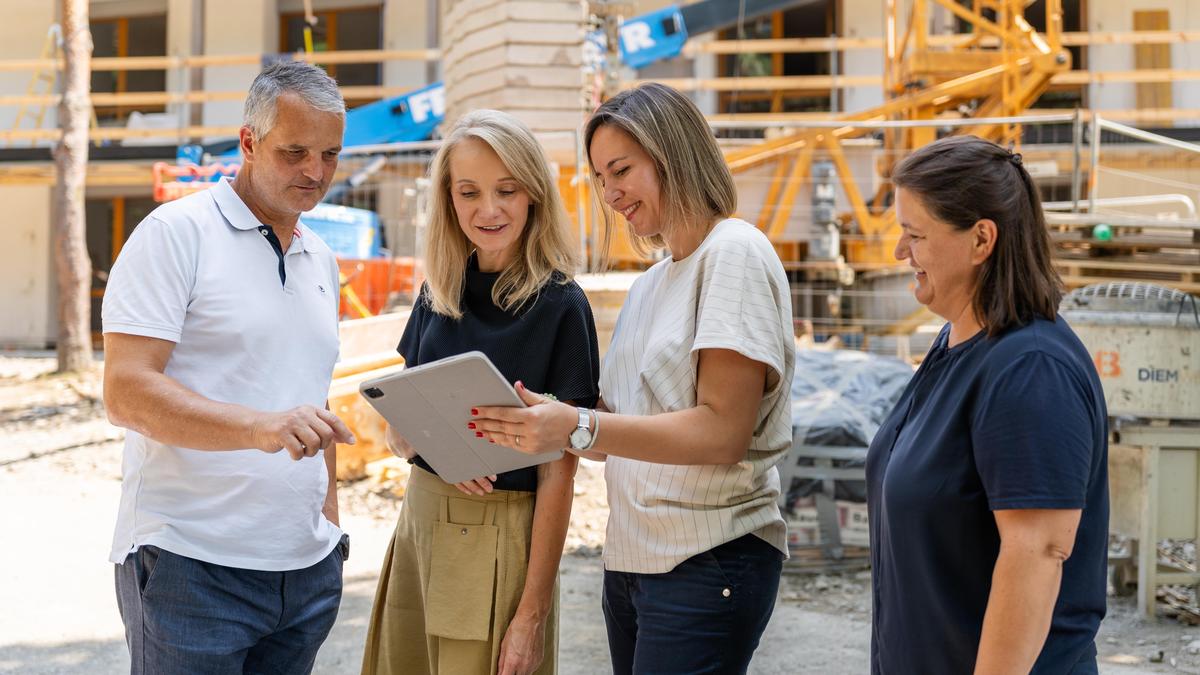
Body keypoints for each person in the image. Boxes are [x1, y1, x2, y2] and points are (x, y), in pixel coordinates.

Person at [471, 82, 794, 674]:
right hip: (635, 560)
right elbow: (621, 427)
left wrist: (580, 425)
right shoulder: (652, 282)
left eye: (621, 169)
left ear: (671, 153)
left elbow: (722, 433)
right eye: (600, 177)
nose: (609, 192)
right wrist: (544, 413)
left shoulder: (734, 253)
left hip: (708, 555)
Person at [101, 61, 355, 674]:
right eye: (295, 151)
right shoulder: (175, 234)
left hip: (304, 573)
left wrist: (330, 530)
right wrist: (258, 428)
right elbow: (126, 393)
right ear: (248, 142)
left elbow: (310, 396)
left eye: (329, 154)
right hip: (192, 568)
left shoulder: (321, 258)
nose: (315, 172)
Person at [359, 109, 600, 675]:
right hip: (419, 520)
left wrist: (531, 615)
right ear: (448, 199)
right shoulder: (436, 292)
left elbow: (559, 471)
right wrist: (437, 447)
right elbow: (395, 434)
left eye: (506, 191)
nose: (487, 210)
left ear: (535, 195)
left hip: (502, 533)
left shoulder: (563, 305)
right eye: (469, 192)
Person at [864, 135, 1109, 673]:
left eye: (915, 235)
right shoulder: (956, 342)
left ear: (981, 240)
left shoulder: (1031, 369)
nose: (901, 252)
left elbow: (1037, 552)